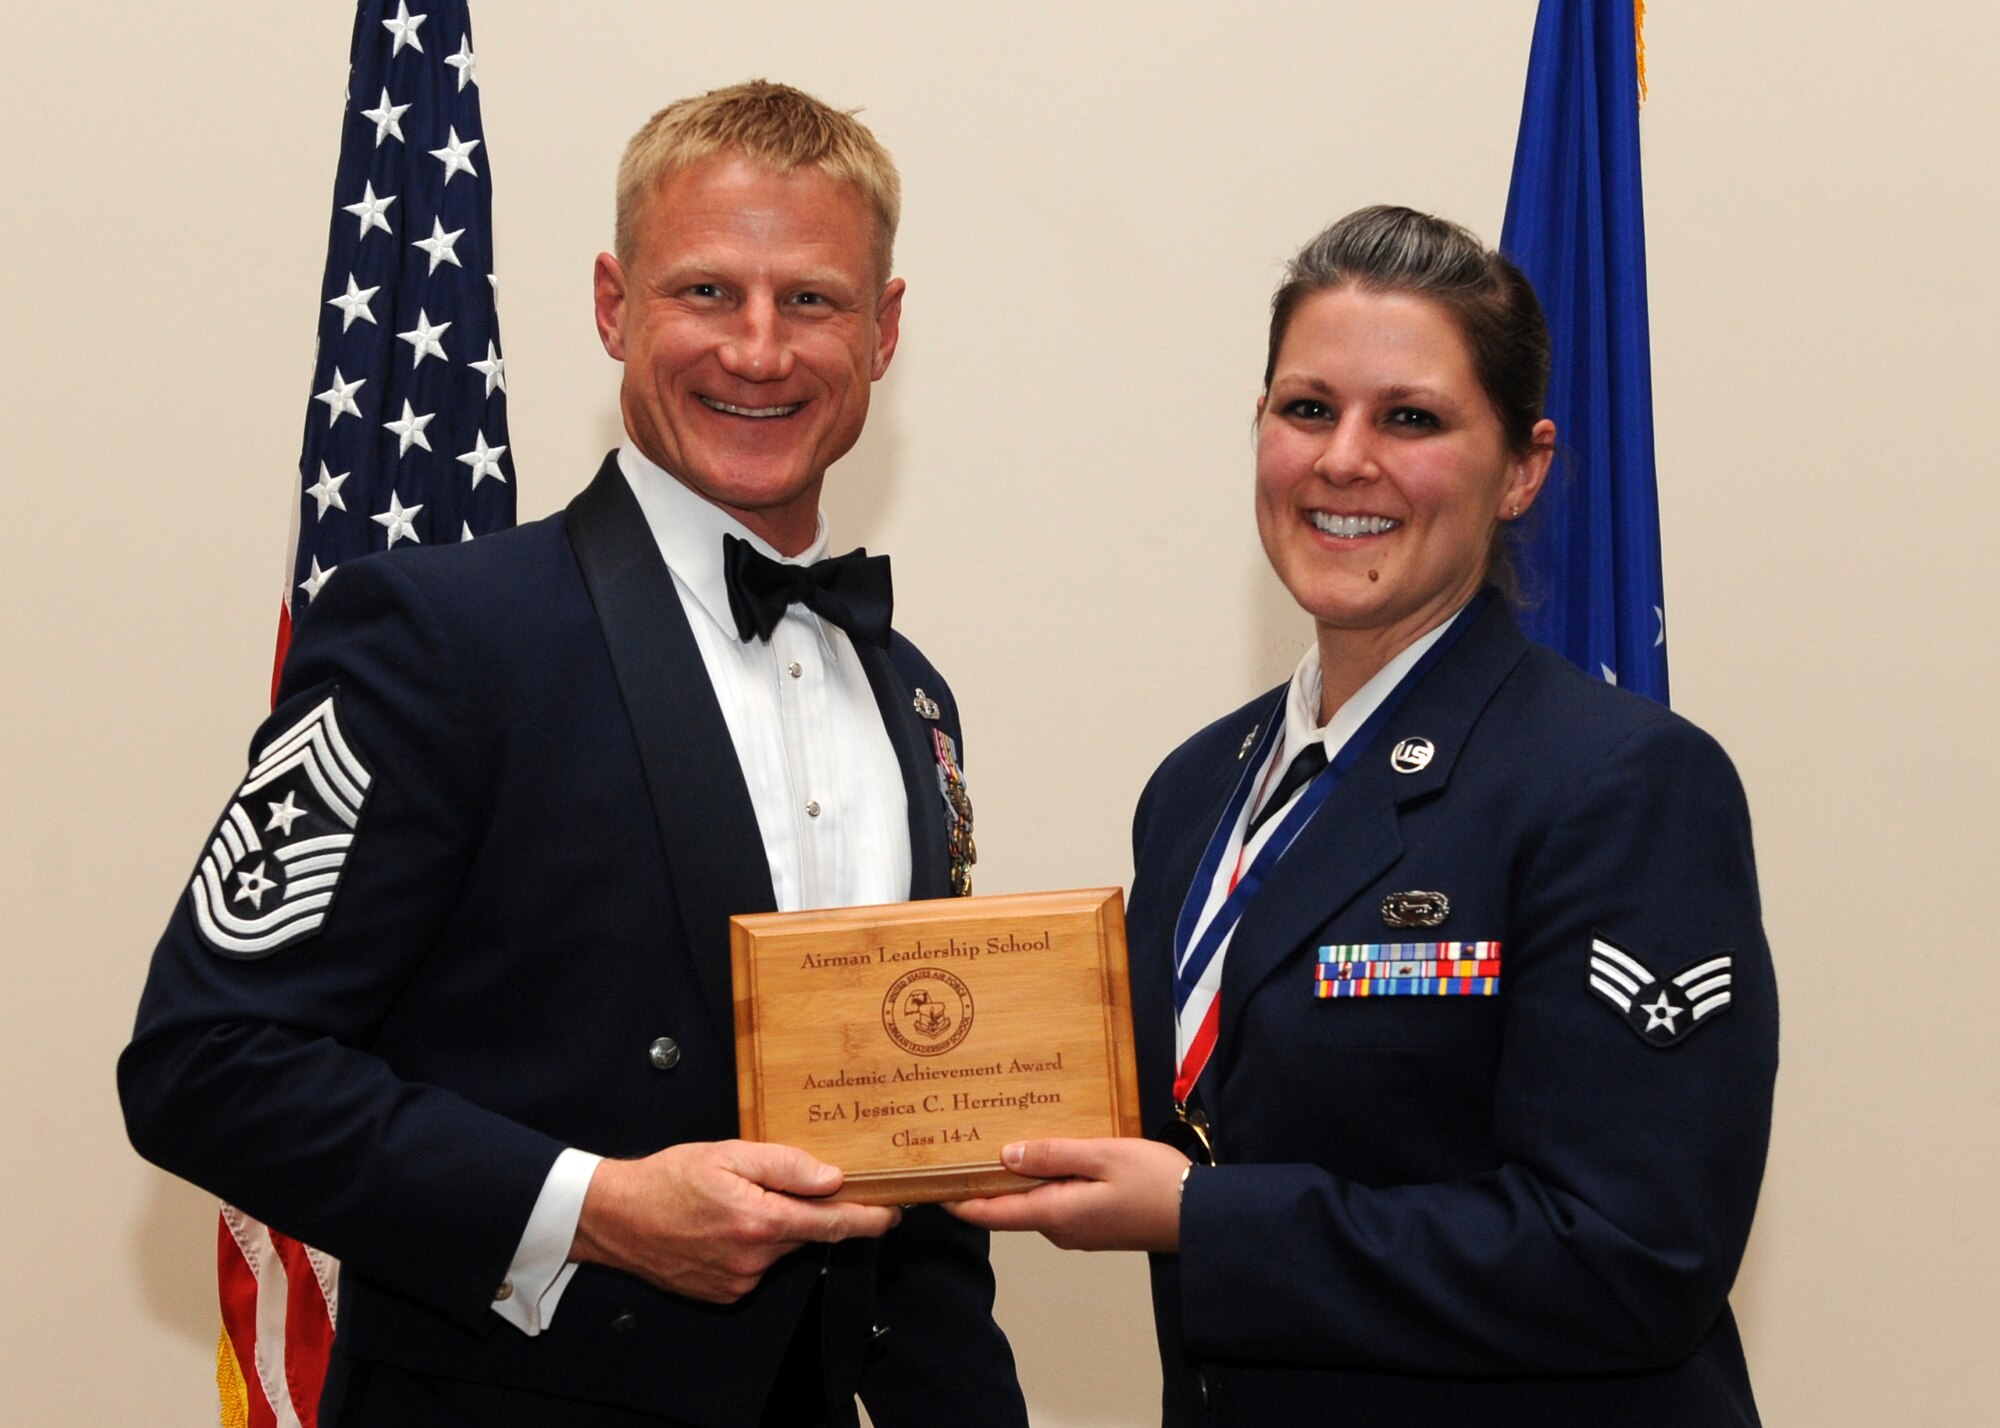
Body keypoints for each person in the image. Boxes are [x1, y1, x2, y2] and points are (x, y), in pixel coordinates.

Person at [120, 81, 1026, 1428]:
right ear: (614, 304)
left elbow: (915, 1174)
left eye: (815, 301)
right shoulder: (434, 635)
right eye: (707, 293)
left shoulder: (909, 696)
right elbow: (207, 1063)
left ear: (885, 331)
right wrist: (594, 1210)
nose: (761, 351)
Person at [952, 206, 1777, 1426]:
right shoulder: (1195, 790)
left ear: (1523, 470)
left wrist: (1198, 1218)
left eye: (1410, 418)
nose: (1344, 459)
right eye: (1305, 408)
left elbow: (1629, 1254)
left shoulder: (1617, 785)